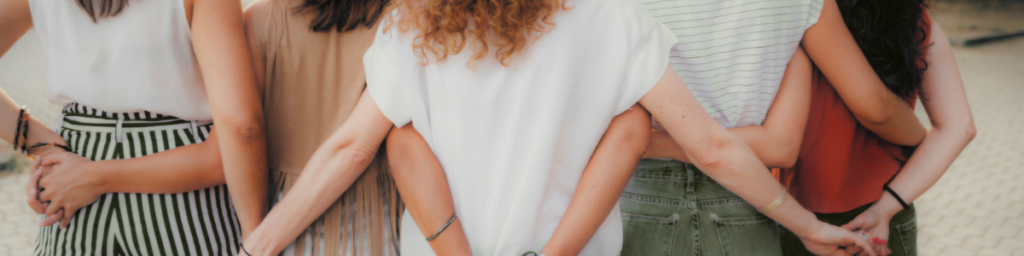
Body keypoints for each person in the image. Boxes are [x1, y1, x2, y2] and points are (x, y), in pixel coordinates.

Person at [237, 0, 878, 255]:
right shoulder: (612, 20)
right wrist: (807, 226)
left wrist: (261, 246)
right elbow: (709, 146)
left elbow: (351, 148)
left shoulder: (414, 24)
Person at [632, 0, 929, 254]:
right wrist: (920, 141)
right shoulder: (804, 7)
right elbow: (780, 147)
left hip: (633, 186)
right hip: (751, 194)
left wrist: (648, 142)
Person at [0, 0, 266, 254]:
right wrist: (255, 236)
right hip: (184, 184)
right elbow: (242, 129)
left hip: (72, 181)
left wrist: (42, 145)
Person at [779, 1, 976, 255]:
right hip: (879, 214)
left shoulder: (803, 10)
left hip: (788, 209)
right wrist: (886, 208)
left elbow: (878, 112)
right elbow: (961, 126)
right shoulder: (915, 17)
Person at [242, 0, 401, 255]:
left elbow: (245, 134)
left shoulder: (257, 20)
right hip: (375, 226)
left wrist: (254, 242)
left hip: (279, 227)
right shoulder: (404, 21)